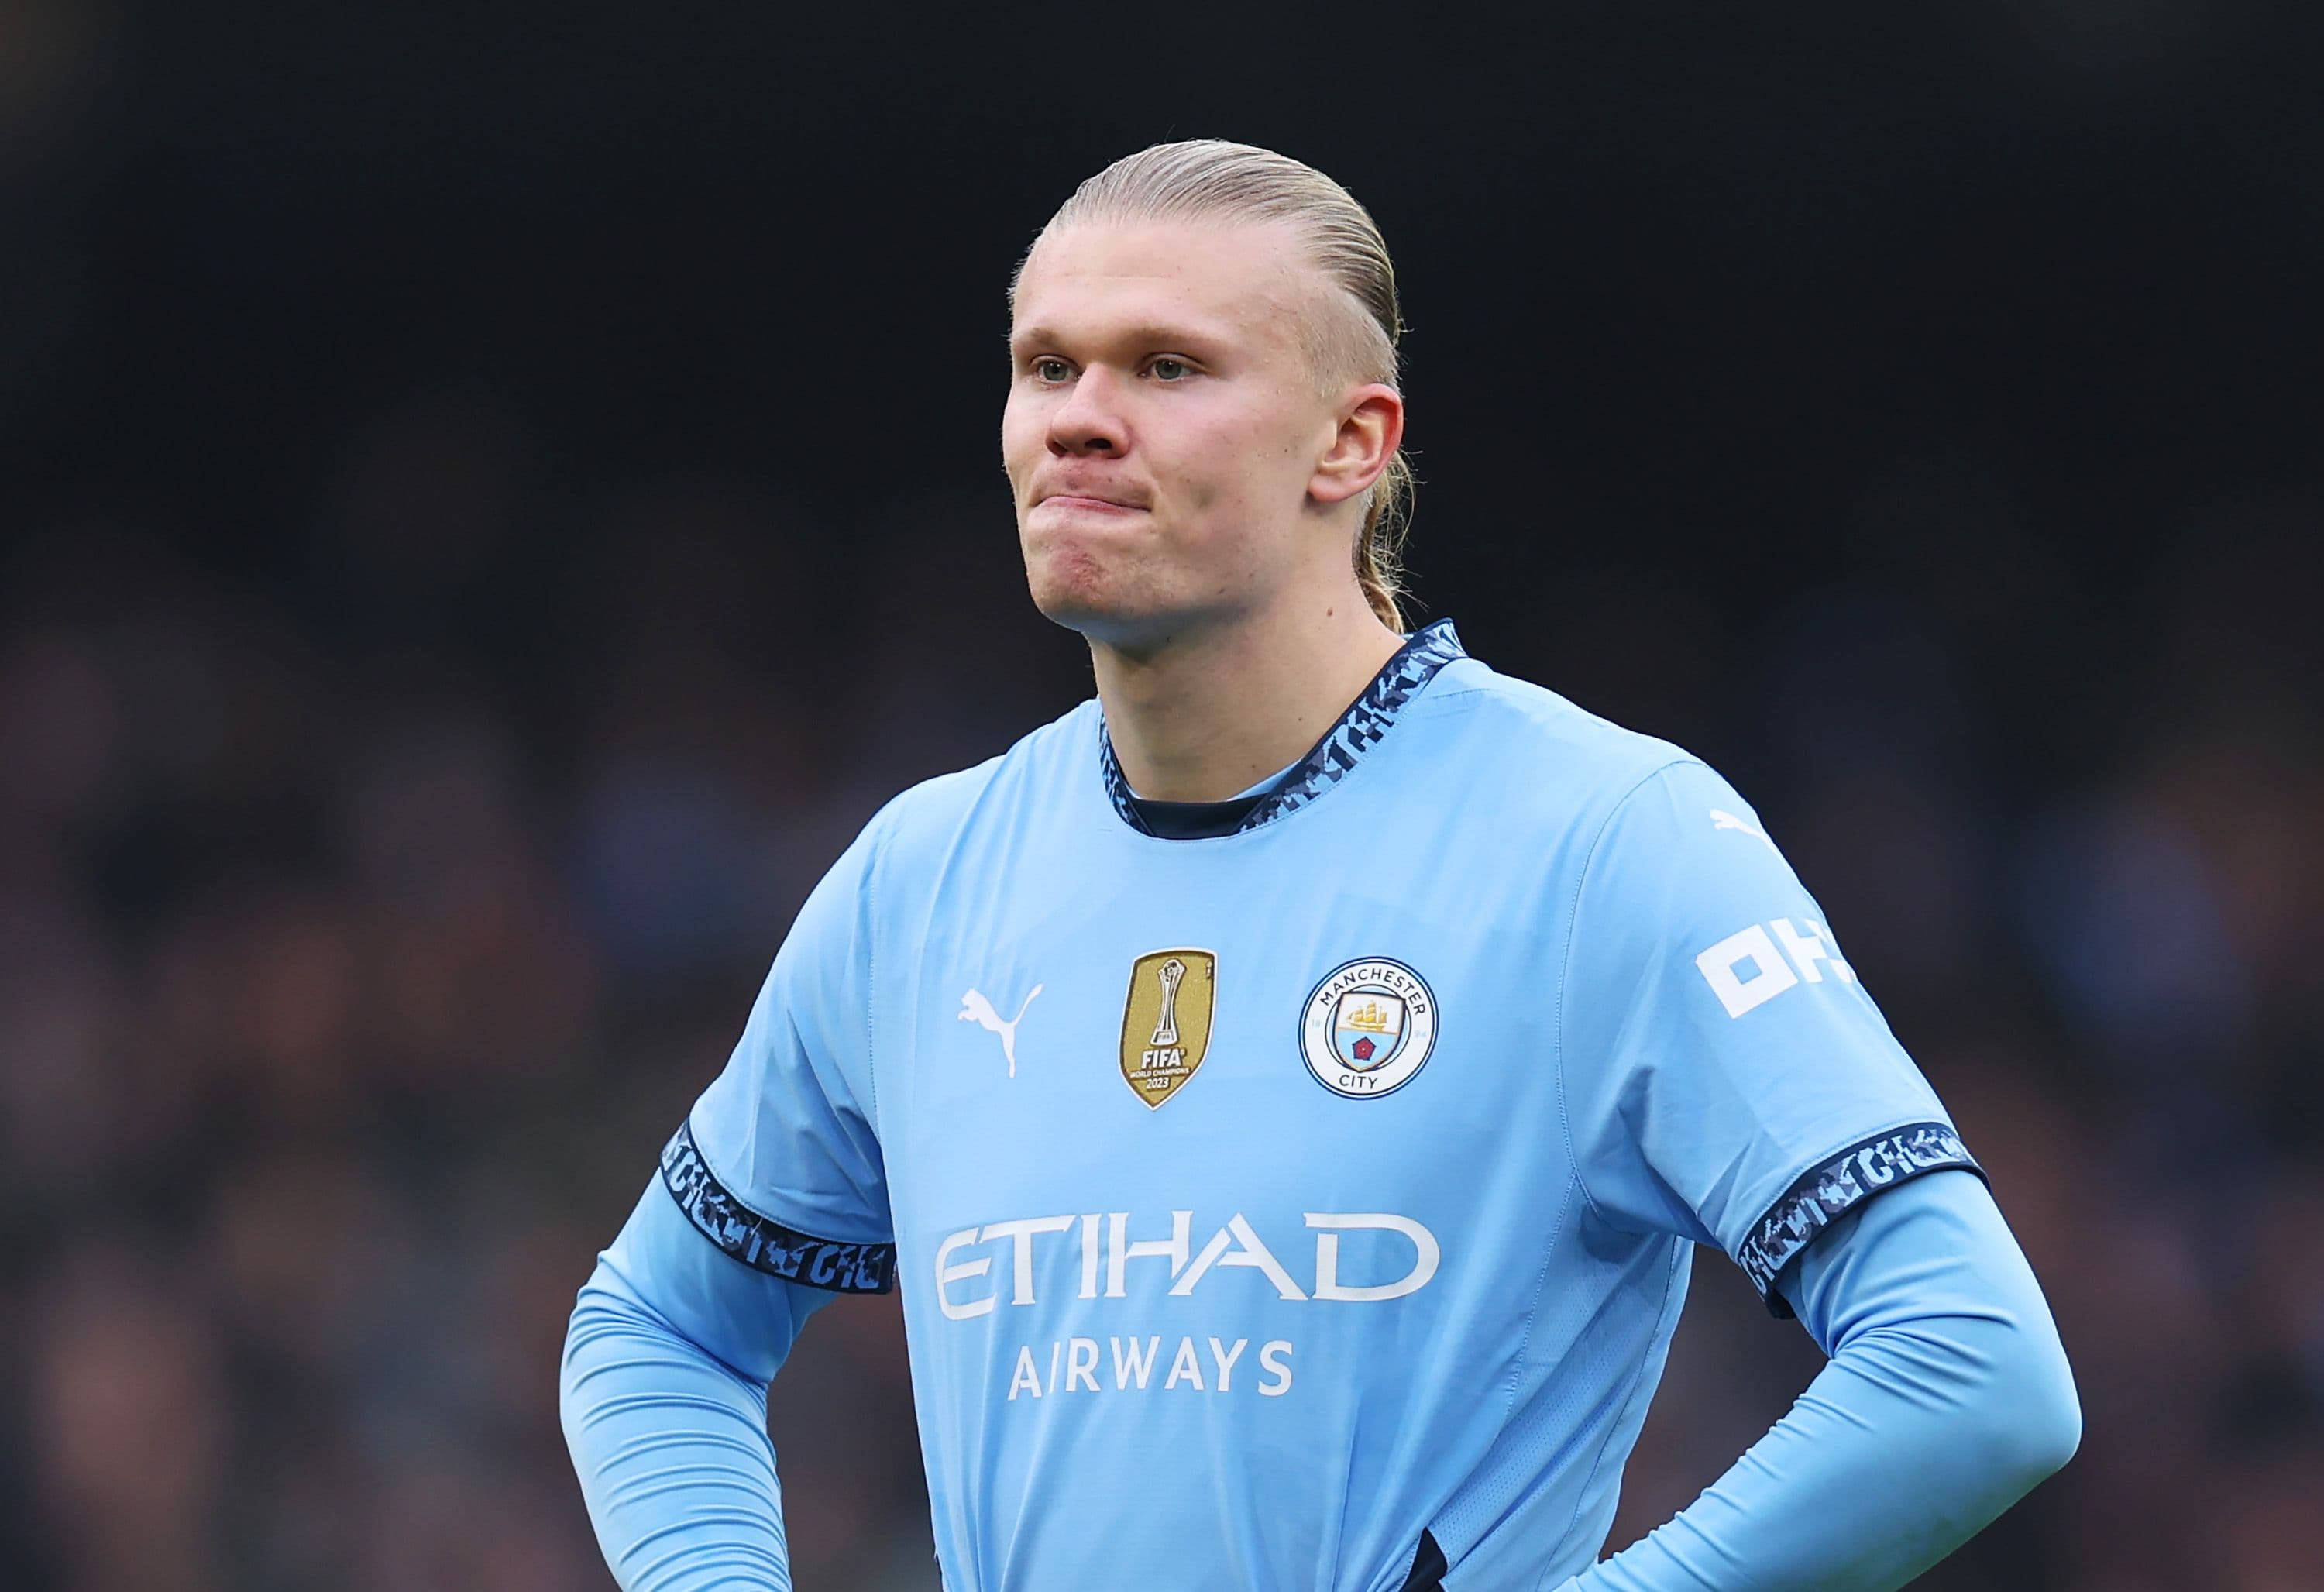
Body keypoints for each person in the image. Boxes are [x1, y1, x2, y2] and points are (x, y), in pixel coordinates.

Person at [560, 139, 2080, 1591]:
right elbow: (654, 1329)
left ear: (1351, 441)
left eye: (1168, 366)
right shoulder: (922, 878)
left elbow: (1970, 1362)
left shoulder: (1603, 840)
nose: (1081, 417)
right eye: (1047, 366)